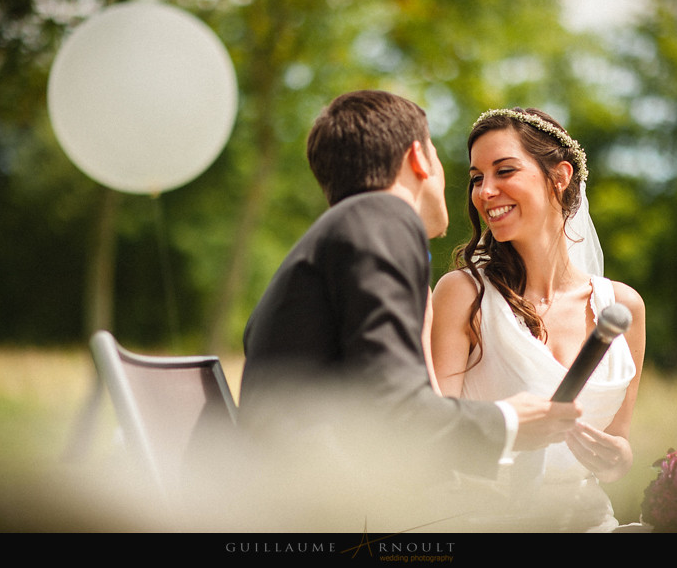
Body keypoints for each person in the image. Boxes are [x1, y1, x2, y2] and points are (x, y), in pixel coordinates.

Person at [236, 91, 581, 531]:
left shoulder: (343, 231)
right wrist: (510, 421)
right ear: (419, 158)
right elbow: (397, 413)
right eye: (443, 161)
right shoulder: (383, 218)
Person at [431, 107, 646, 532]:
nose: (484, 191)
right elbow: (434, 437)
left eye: (503, 171)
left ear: (560, 176)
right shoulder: (464, 295)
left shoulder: (624, 308)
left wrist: (619, 458)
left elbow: (618, 442)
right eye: (476, 178)